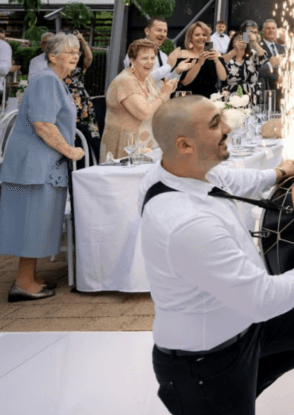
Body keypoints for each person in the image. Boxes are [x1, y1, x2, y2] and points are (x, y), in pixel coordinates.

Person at [141, 96, 294, 415]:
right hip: (205, 363)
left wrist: (277, 174)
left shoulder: (181, 172)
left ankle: (244, 386)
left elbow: (232, 180)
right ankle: (224, 396)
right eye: (215, 124)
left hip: (244, 331)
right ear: (185, 145)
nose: (228, 128)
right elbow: (261, 299)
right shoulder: (187, 225)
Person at [1, 33, 85, 301]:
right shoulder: (47, 80)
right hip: (34, 167)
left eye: (77, 52)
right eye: (69, 52)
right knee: (33, 222)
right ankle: (24, 283)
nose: (75, 55)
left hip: (43, 165)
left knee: (39, 221)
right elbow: (43, 125)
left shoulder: (55, 81)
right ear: (52, 56)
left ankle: (30, 277)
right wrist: (70, 151)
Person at [102, 40, 179, 160]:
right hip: (128, 148)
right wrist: (164, 94)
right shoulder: (126, 81)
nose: (150, 62)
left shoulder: (146, 78)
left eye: (152, 58)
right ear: (132, 60)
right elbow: (144, 113)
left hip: (148, 145)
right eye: (144, 58)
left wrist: (167, 93)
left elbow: (158, 107)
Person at [59, 31, 101, 160]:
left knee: (87, 130)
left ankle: (89, 156)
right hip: (65, 97)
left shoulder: (78, 64)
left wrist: (82, 41)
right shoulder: (58, 63)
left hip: (81, 100)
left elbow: (89, 58)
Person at [223, 32, 262, 99]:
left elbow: (264, 58)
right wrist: (235, 49)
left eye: (243, 39)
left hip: (252, 97)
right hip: (232, 98)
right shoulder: (228, 57)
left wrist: (254, 43)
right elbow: (221, 62)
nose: (241, 40)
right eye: (238, 39)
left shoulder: (252, 55)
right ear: (232, 43)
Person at [257, 19, 286, 93]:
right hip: (267, 89)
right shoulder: (258, 47)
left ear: (276, 31)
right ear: (263, 32)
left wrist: (285, 77)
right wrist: (277, 78)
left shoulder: (281, 48)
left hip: (283, 89)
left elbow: (286, 67)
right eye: (268, 28)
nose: (271, 30)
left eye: (273, 28)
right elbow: (257, 70)